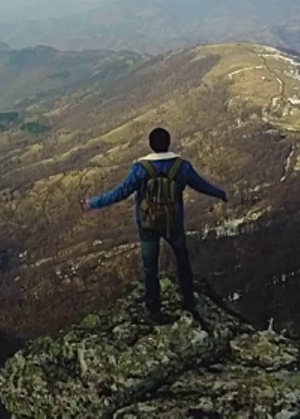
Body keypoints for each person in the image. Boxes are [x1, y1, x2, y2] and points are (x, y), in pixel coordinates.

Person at [82, 127, 227, 323]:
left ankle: (154, 309)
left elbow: (120, 192)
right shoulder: (181, 166)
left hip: (147, 224)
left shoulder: (141, 168)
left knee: (150, 267)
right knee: (182, 261)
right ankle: (189, 301)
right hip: (173, 223)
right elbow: (201, 184)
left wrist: (94, 203)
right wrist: (220, 193)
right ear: (169, 142)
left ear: (151, 144)